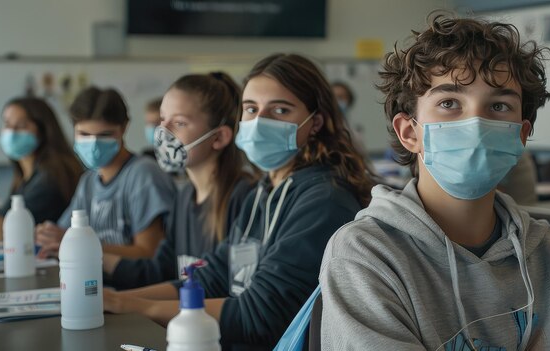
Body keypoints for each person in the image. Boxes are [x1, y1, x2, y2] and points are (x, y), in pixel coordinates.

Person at [319, 14, 550, 349]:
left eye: (499, 105)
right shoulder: (367, 254)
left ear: (520, 135)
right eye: (449, 103)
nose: (476, 123)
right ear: (409, 132)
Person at [103, 53, 374, 350]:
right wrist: (122, 300)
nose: (260, 122)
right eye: (251, 109)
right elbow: (214, 276)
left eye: (280, 110)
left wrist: (138, 308)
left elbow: (258, 316)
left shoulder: (324, 200)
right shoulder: (264, 191)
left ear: (315, 123)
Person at [104, 72, 257, 290]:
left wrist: (124, 303)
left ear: (219, 137)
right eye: (162, 119)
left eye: (179, 123)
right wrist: (92, 255)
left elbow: (226, 290)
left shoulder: (243, 197)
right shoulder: (185, 195)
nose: (162, 132)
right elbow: (159, 271)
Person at [36, 87, 175, 259]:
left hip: (131, 285)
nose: (94, 144)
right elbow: (64, 232)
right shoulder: (88, 181)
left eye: (105, 135)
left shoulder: (143, 175)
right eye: (84, 134)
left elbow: (148, 253)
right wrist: (48, 234)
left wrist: (79, 244)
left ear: (124, 128)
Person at [0, 97, 83, 241]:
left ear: (42, 130)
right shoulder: (24, 176)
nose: (11, 132)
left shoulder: (51, 178)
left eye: (21, 125)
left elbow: (5, 231)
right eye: (7, 124)